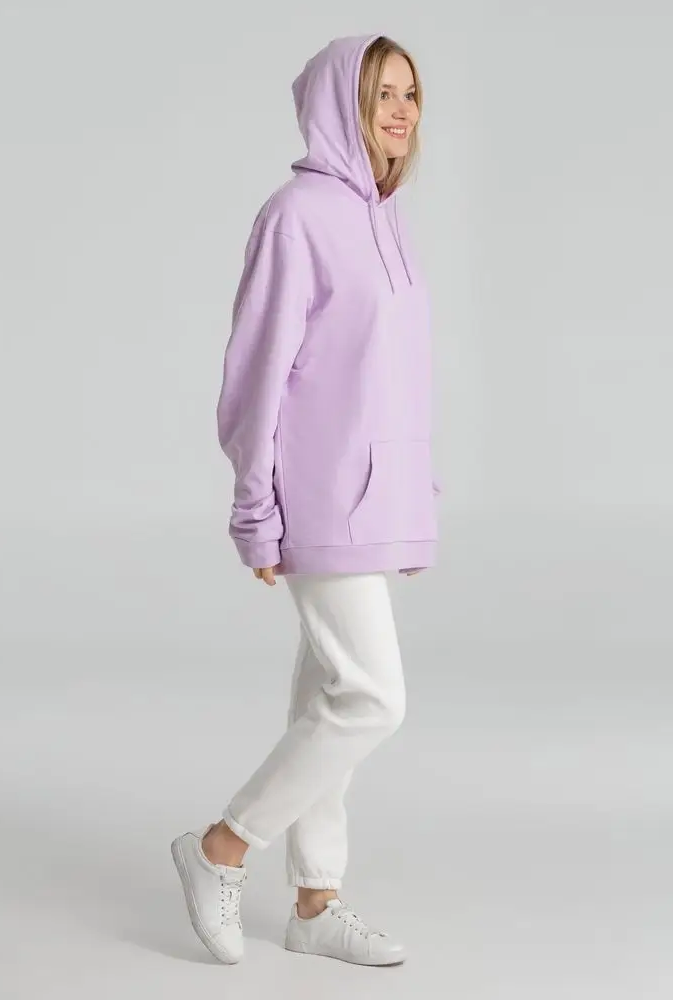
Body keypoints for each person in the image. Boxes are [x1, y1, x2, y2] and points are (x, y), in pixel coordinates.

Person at [172, 33, 441, 967]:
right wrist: (256, 510)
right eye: (381, 93)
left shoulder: (389, 219)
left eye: (410, 93)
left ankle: (315, 903)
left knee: (327, 697)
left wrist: (413, 505)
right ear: (340, 104)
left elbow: (395, 384)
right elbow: (257, 375)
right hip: (319, 500)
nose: (401, 110)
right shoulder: (296, 217)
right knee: (372, 699)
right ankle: (221, 847)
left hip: (373, 505)